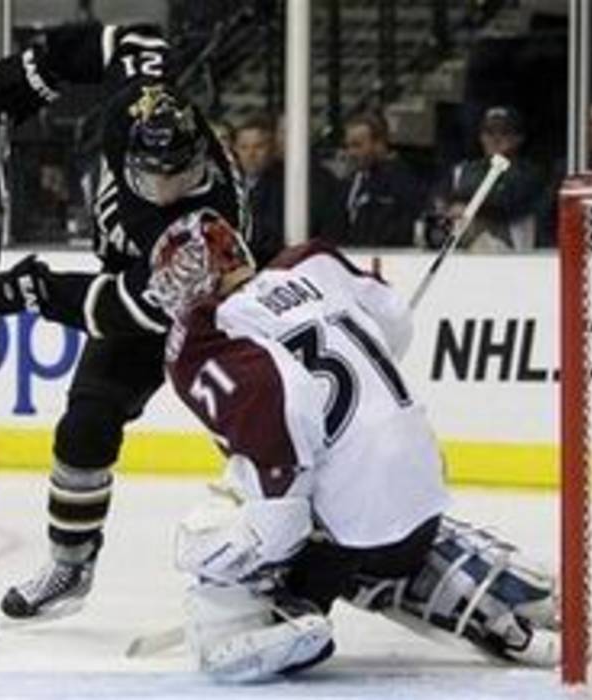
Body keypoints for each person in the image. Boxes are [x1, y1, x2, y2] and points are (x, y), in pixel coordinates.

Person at [144, 208, 560, 681]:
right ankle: (478, 587)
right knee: (365, 505)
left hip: (353, 528)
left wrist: (272, 529)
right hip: (423, 479)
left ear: (199, 276)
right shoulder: (309, 264)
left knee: (224, 518)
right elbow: (396, 323)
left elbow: (288, 416)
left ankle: (273, 615)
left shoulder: (209, 335)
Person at [0, 23, 250, 621]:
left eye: (180, 175)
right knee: (85, 425)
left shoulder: (204, 233)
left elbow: (122, 308)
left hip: (223, 309)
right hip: (137, 283)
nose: (166, 189)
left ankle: (294, 556)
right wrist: (40, 71)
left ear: (200, 157)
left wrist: (26, 289)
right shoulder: (135, 107)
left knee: (259, 434)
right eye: (154, 174)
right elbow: (135, 41)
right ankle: (70, 566)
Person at [427, 105, 544, 252]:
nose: (496, 138)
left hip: (511, 251)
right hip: (459, 250)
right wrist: (448, 207)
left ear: (518, 138)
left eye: (504, 132)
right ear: (481, 137)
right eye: (489, 132)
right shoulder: (462, 170)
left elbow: (505, 201)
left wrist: (463, 203)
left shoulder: (528, 173)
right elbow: (437, 200)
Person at [234, 112, 345, 265]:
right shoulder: (229, 185)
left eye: (258, 146)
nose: (251, 154)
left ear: (272, 148)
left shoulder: (287, 184)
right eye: (244, 147)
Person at [342, 111, 423, 247]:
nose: (350, 153)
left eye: (357, 145)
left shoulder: (402, 182)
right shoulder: (348, 183)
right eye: (347, 146)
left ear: (379, 144)